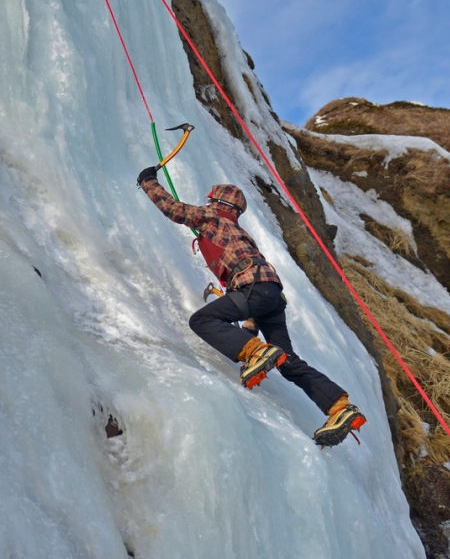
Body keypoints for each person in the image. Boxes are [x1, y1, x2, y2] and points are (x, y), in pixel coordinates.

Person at [137, 165, 366, 447]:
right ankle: (339, 407)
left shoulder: (213, 217)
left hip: (252, 286)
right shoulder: (240, 232)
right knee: (287, 360)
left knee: (201, 321)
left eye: (210, 200)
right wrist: (250, 328)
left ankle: (257, 353)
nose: (207, 204)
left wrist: (148, 181)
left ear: (219, 203)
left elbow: (174, 209)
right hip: (270, 294)